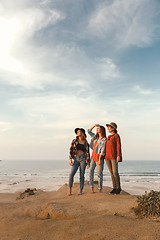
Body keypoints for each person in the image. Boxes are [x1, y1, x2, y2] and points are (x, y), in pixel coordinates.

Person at [68, 128, 90, 196]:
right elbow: (71, 150)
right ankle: (70, 190)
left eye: (79, 131)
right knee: (71, 174)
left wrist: (88, 163)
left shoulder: (85, 142)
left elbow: (87, 153)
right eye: (77, 132)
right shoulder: (74, 141)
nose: (78, 132)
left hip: (83, 159)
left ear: (82, 133)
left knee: (81, 175)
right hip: (76, 159)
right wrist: (70, 159)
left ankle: (80, 190)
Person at [88, 124, 106, 193]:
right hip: (93, 157)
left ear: (102, 130)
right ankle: (91, 188)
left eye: (98, 128)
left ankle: (99, 189)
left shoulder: (104, 139)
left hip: (99, 158)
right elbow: (89, 131)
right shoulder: (95, 137)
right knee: (91, 172)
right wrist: (94, 125)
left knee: (99, 174)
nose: (97, 129)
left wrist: (99, 160)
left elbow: (103, 150)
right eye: (97, 128)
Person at [105, 122, 122, 195]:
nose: (108, 128)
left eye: (109, 127)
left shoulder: (116, 136)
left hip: (114, 156)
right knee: (111, 173)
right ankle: (114, 188)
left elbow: (118, 146)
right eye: (108, 127)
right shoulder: (108, 137)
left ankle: (118, 188)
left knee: (115, 172)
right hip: (107, 157)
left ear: (113, 128)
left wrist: (119, 155)